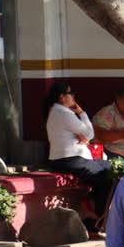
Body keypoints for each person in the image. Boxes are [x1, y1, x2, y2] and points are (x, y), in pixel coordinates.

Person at [44, 81, 114, 214]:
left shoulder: (55, 111)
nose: (73, 96)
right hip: (70, 160)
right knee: (106, 177)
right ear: (62, 97)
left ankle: (93, 205)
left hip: (67, 159)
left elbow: (85, 135)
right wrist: (82, 113)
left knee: (107, 166)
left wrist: (84, 135)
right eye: (71, 93)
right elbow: (90, 134)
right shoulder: (64, 113)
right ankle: (100, 216)